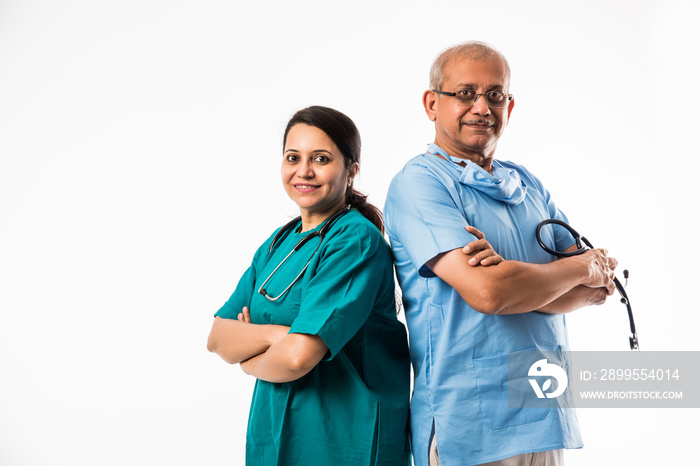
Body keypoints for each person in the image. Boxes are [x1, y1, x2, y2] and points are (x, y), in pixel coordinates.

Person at [207, 105, 503, 465]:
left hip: (346, 439)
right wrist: (276, 336)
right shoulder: (277, 244)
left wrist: (247, 359)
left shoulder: (354, 241)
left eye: (321, 158)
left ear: (352, 171)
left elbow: (298, 357)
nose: (304, 171)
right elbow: (218, 338)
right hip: (277, 433)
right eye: (292, 157)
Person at [384, 42, 619, 466]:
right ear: (432, 103)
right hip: (470, 420)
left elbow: (599, 292)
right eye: (465, 93)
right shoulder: (420, 184)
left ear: (509, 105)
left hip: (543, 406)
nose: (481, 107)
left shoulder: (526, 184)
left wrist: (518, 280)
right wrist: (579, 266)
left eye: (495, 95)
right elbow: (489, 294)